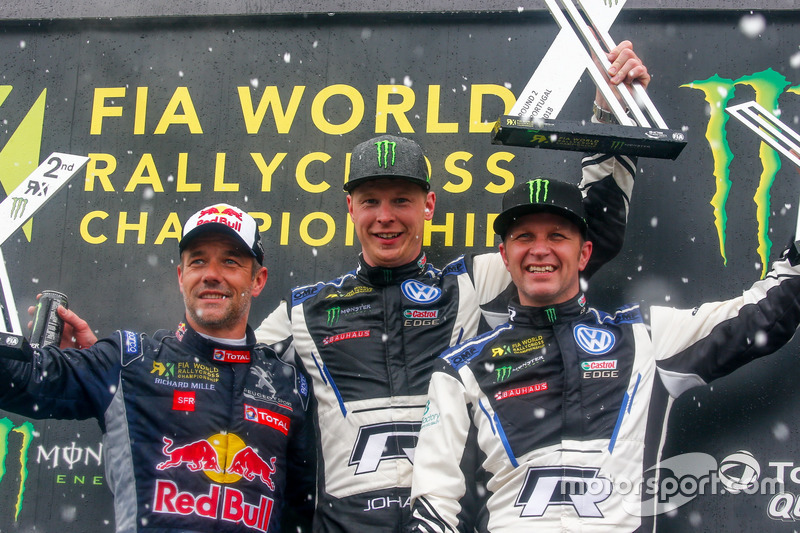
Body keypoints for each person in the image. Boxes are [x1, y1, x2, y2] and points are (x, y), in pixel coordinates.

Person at [253, 43, 650, 532]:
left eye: (402, 199)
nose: (385, 217)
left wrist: (610, 117)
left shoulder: (472, 282)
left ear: (429, 206)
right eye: (370, 200)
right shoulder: (302, 312)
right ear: (349, 209)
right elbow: (227, 371)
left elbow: (591, 237)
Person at [408, 178, 800, 531]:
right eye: (524, 236)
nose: (540, 249)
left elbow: (765, 316)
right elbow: (434, 502)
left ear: (584, 254)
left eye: (558, 236)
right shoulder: (461, 368)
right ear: (505, 256)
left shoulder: (645, 338)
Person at [0, 204, 314, 533]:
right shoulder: (129, 362)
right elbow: (22, 381)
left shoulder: (288, 385)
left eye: (230, 261)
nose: (211, 274)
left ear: (257, 279)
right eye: (198, 261)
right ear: (181, 277)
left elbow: (304, 513)